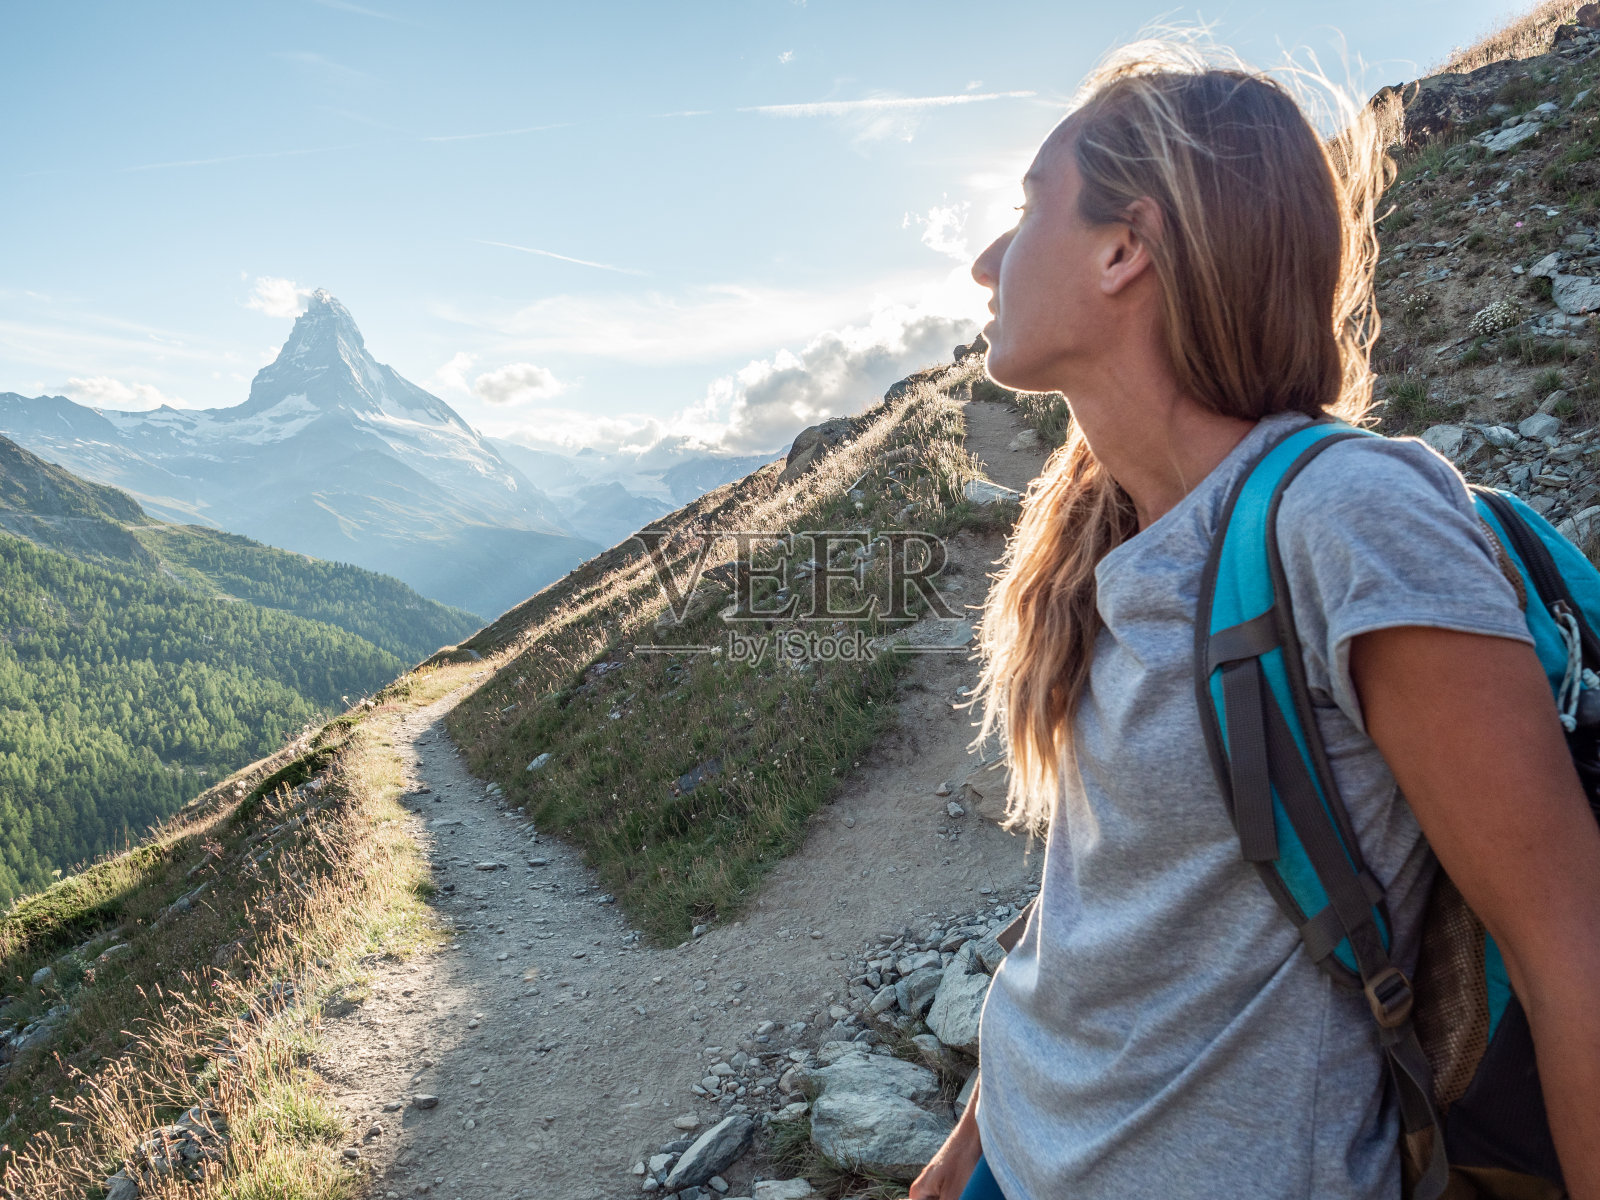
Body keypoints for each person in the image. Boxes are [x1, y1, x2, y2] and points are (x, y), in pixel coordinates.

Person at [909, 39, 1600, 1200]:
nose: (987, 261)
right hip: (1025, 1156)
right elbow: (1105, 881)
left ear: (1126, 247)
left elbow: (1568, 947)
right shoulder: (1112, 536)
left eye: (1028, 208)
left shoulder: (1350, 518)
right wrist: (975, 1134)